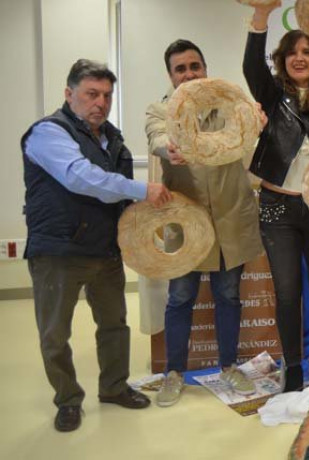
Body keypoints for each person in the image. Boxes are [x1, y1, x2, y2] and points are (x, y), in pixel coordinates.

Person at [22, 59, 173, 432]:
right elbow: (80, 177)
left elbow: (115, 196)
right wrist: (143, 190)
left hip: (104, 250)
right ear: (69, 94)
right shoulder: (47, 133)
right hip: (57, 251)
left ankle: (114, 387)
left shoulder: (113, 138)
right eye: (92, 93)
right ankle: (68, 400)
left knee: (113, 325)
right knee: (55, 333)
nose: (100, 102)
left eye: (106, 95)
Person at [145, 39, 266, 407]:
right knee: (180, 297)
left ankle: (228, 366)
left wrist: (258, 123)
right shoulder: (159, 110)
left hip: (231, 218)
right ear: (170, 75)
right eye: (180, 69)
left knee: (228, 296)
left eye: (195, 66)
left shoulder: (230, 105)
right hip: (186, 222)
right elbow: (158, 139)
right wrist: (172, 147)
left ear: (205, 68)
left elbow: (250, 133)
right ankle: (174, 373)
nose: (189, 74)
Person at [244, 3, 309, 391]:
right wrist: (260, 17)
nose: (301, 58)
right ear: (282, 60)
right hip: (277, 208)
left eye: (308, 52)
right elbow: (252, 68)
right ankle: (292, 368)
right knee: (287, 294)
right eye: (293, 53)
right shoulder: (270, 95)